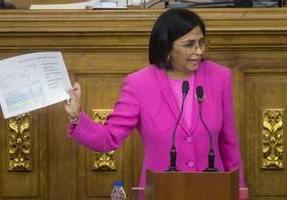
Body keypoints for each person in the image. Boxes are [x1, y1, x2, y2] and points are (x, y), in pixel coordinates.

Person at [64, 8, 245, 191]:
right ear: (167, 47)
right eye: (189, 44)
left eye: (201, 43)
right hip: (161, 191)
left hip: (212, 190)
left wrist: (239, 192)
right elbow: (109, 138)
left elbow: (229, 145)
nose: (199, 51)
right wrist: (76, 117)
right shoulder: (139, 84)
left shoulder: (220, 77)